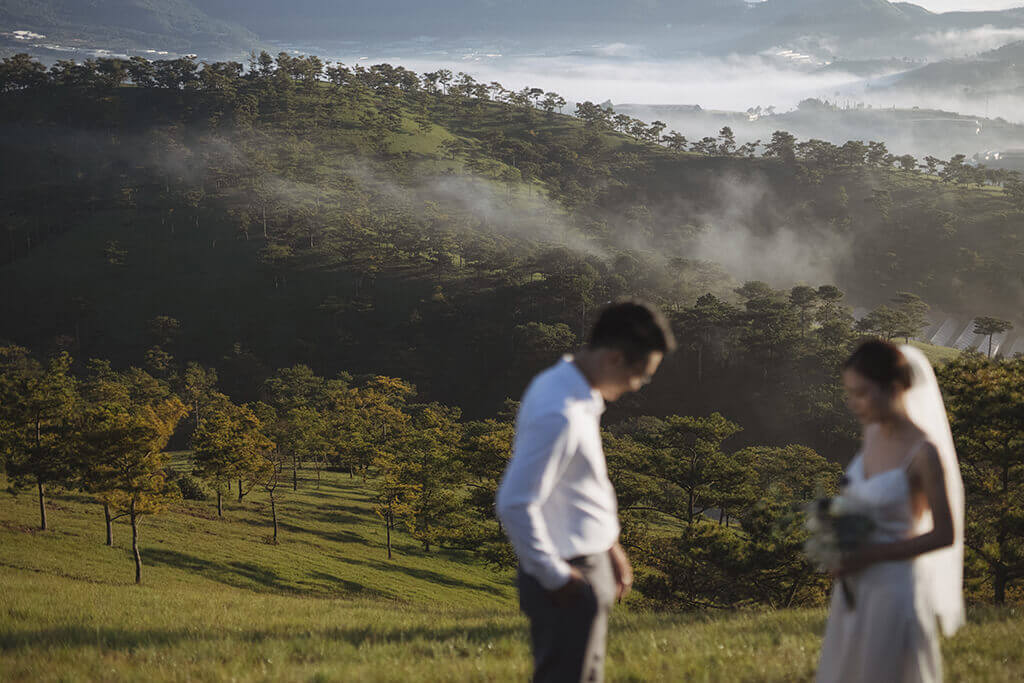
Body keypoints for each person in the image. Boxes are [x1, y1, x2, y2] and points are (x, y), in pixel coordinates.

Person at [496, 299, 675, 683]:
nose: (637, 385)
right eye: (639, 374)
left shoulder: (574, 392)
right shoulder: (560, 411)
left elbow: (581, 489)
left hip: (586, 560)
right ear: (613, 358)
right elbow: (514, 502)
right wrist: (558, 578)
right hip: (568, 572)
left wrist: (611, 547)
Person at [816, 339, 965, 683]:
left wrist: (872, 554)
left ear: (895, 388)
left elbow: (946, 533)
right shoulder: (871, 433)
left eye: (863, 393)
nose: (854, 404)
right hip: (856, 585)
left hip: (895, 589)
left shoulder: (924, 452)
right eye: (850, 393)